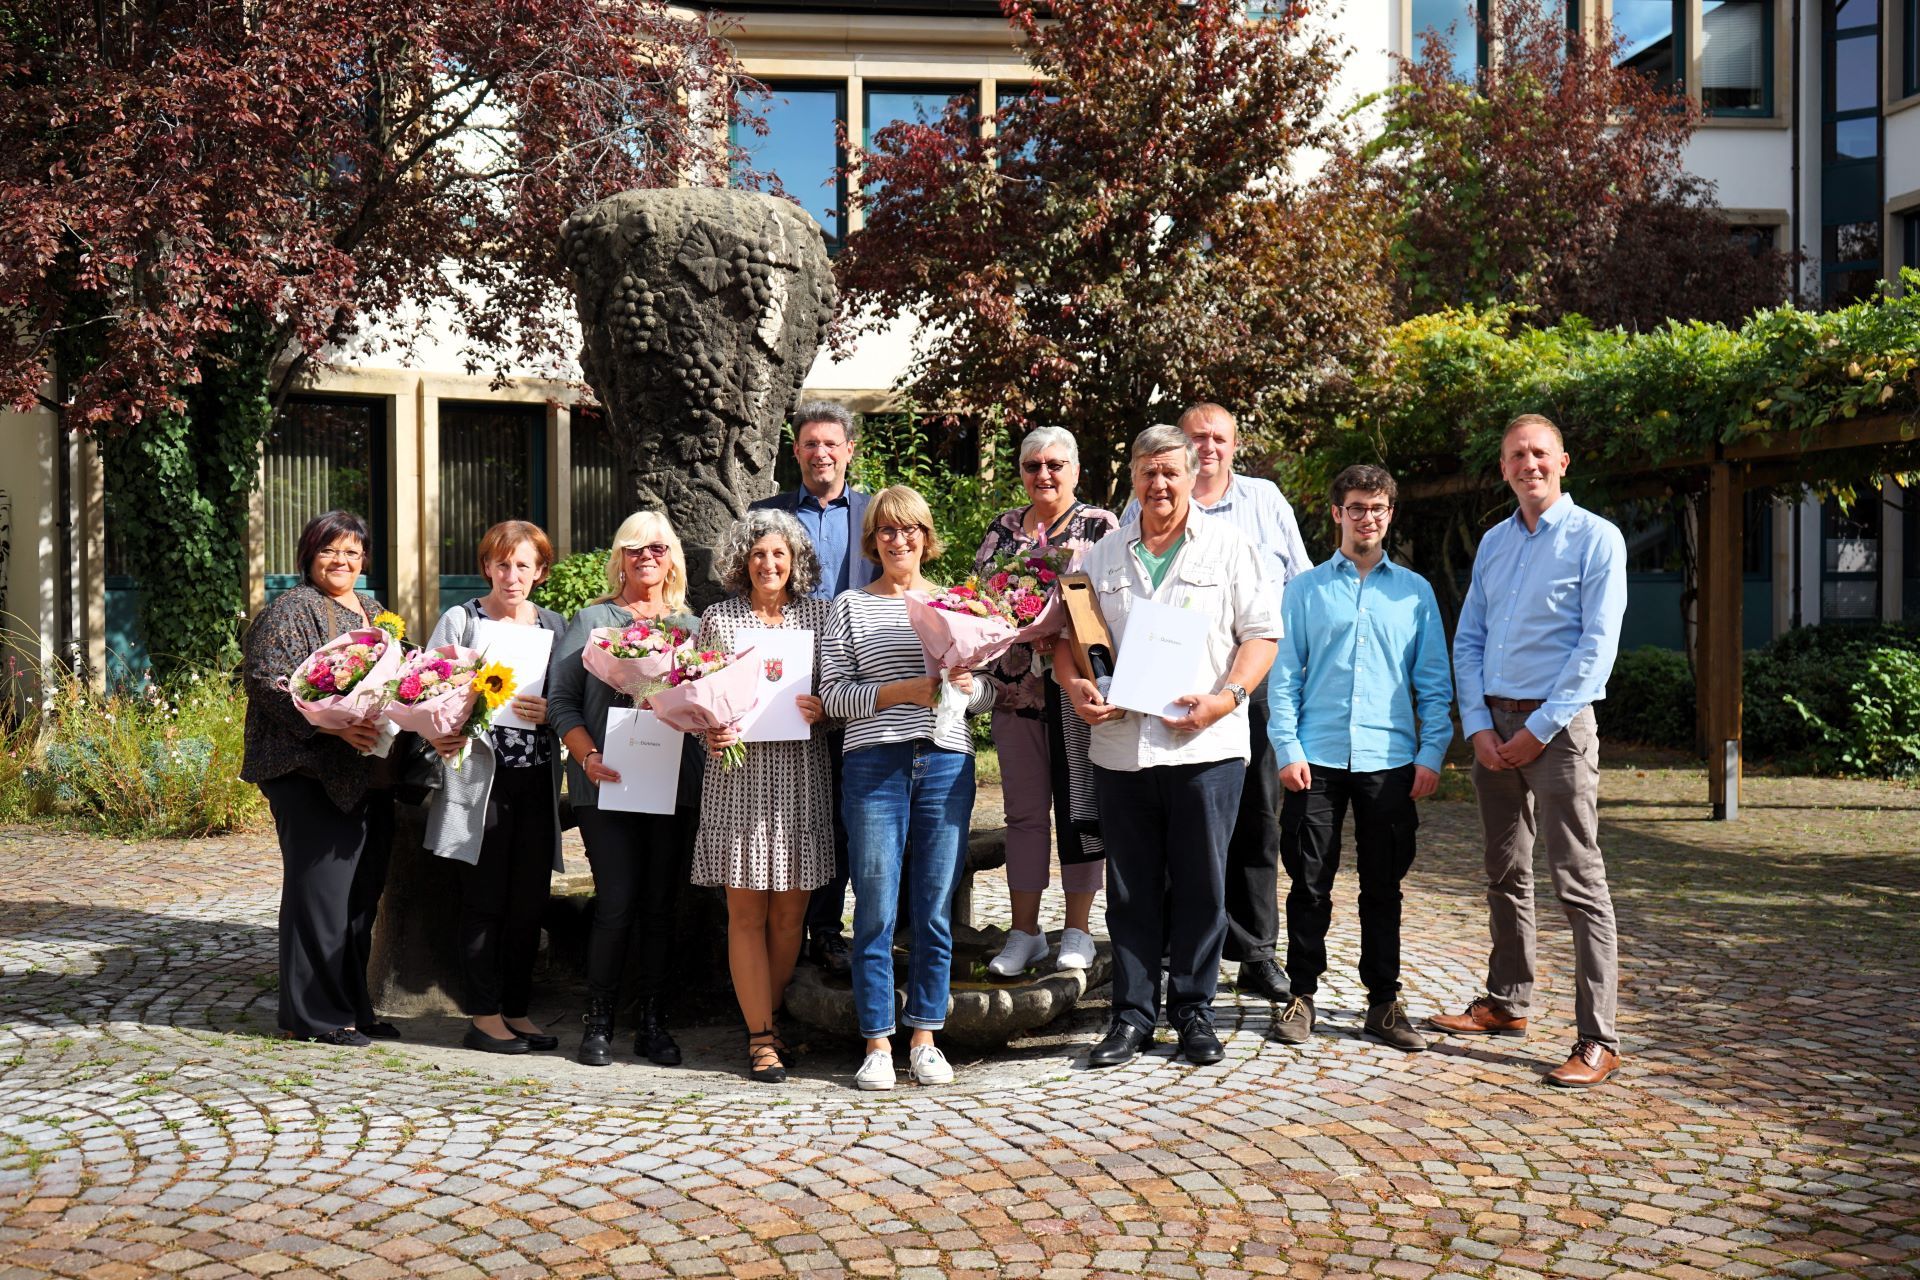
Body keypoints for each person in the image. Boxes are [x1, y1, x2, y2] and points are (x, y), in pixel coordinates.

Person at [1061, 426, 1280, 1069]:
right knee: (1129, 889)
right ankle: (1131, 1016)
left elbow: (1262, 637)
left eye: (1171, 473)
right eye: (1148, 473)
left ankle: (1193, 1010)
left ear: (1191, 476)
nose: (1160, 485)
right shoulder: (1101, 558)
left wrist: (1228, 698)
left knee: (1201, 885)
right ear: (1132, 477)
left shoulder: (1231, 547)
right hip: (1121, 747)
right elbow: (1071, 640)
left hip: (1204, 746)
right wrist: (1076, 683)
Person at [1428, 413, 1629, 1090]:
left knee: (1578, 879)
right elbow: (1470, 639)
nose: (1528, 465)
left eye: (1539, 453)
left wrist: (1536, 729)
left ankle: (1598, 1039)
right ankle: (1507, 1003)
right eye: (1516, 456)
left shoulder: (1596, 539)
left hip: (1559, 731)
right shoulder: (1493, 542)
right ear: (1505, 468)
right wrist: (1478, 725)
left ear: (1563, 462)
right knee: (1504, 872)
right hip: (1495, 728)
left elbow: (1595, 649)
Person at [1124, 402, 1311, 1002]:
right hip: (1167, 690)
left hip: (1246, 685)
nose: (1209, 447)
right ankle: (1180, 948)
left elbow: (1299, 589)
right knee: (1179, 822)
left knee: (1257, 821)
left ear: (1235, 445)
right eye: (1197, 437)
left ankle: (1256, 950)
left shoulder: (1266, 502)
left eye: (1219, 438)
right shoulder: (1146, 500)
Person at [1265, 465, 1454, 1054]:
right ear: (1337, 514)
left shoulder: (1416, 592)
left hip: (1390, 760)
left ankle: (1383, 1001)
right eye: (1355, 508)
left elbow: (1433, 682)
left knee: (1383, 887)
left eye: (1376, 508)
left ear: (1389, 514)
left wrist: (1431, 751)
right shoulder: (1304, 591)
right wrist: (1287, 749)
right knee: (1308, 883)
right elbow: (1284, 678)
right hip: (1314, 761)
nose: (1365, 518)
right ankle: (1301, 994)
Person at [819, 485, 998, 1091]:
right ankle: (875, 1040)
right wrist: (903, 692)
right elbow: (832, 698)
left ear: (926, 536)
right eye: (888, 531)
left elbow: (989, 696)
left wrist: (971, 684)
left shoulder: (958, 604)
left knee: (933, 906)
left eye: (911, 529)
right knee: (873, 905)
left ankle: (924, 1034)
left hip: (945, 759)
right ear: (874, 540)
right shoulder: (848, 606)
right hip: (873, 762)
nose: (900, 540)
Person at [548, 510, 704, 1069]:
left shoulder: (691, 628)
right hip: (604, 783)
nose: (647, 558)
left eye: (657, 549)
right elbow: (560, 702)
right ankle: (599, 1019)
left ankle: (653, 1022)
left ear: (672, 559)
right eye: (635, 549)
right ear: (620, 557)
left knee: (661, 908)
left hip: (674, 781)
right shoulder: (592, 620)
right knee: (616, 903)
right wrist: (586, 755)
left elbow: (706, 705)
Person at [240, 510, 397, 1047]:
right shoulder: (292, 608)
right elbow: (266, 681)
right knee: (320, 895)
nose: (342, 561)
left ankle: (354, 1005)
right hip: (305, 770)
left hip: (367, 770)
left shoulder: (375, 611)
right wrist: (335, 726)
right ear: (310, 554)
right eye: (331, 550)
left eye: (353, 552)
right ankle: (313, 1016)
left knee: (359, 897)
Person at [693, 510, 834, 1084]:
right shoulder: (718, 619)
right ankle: (760, 1038)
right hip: (739, 776)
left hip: (802, 775)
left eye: (779, 554)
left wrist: (824, 710)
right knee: (747, 914)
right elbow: (690, 696)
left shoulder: (819, 617)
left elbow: (838, 693)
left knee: (789, 918)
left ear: (796, 561)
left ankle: (770, 1019)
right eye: (757, 555)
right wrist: (709, 727)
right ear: (740, 562)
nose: (768, 564)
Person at [972, 426, 1119, 977]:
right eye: (1033, 466)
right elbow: (980, 596)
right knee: (1025, 814)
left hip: (1076, 685)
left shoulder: (1100, 526)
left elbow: (1109, 600)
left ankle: (1078, 929)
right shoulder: (1004, 527)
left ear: (1075, 469)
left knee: (1082, 806)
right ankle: (1025, 933)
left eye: (1055, 464)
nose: (1044, 475)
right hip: (1015, 690)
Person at [421, 521, 567, 1056]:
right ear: (487, 567)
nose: (512, 575)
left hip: (535, 778)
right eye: (502, 564)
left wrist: (551, 711)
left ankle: (516, 1009)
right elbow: (426, 690)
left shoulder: (554, 623)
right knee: (485, 899)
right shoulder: (462, 618)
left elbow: (569, 699)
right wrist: (442, 730)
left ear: (540, 572)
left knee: (529, 899)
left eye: (523, 565)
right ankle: (483, 1017)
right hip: (480, 779)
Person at [750, 399, 873, 978]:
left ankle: (827, 930)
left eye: (831, 443)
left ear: (849, 450)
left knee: (849, 813)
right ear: (794, 450)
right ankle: (784, 934)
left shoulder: (877, 515)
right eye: (810, 444)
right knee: (794, 812)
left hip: (856, 687)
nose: (820, 453)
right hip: (785, 691)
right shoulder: (766, 514)